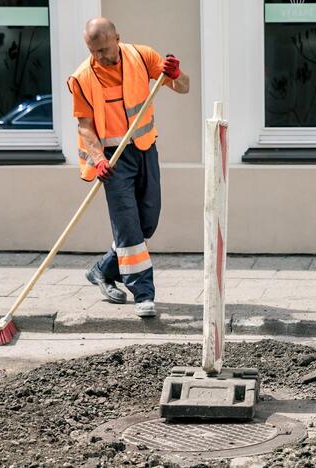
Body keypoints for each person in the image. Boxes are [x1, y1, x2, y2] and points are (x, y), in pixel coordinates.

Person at [67, 17, 190, 317]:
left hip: (145, 149)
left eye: (106, 50)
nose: (102, 57)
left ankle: (101, 270)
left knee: (147, 221)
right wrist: (98, 160)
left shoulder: (141, 56)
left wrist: (174, 74)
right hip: (112, 162)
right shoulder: (82, 77)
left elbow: (183, 87)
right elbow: (85, 126)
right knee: (128, 228)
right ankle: (143, 292)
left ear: (118, 38)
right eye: (95, 52)